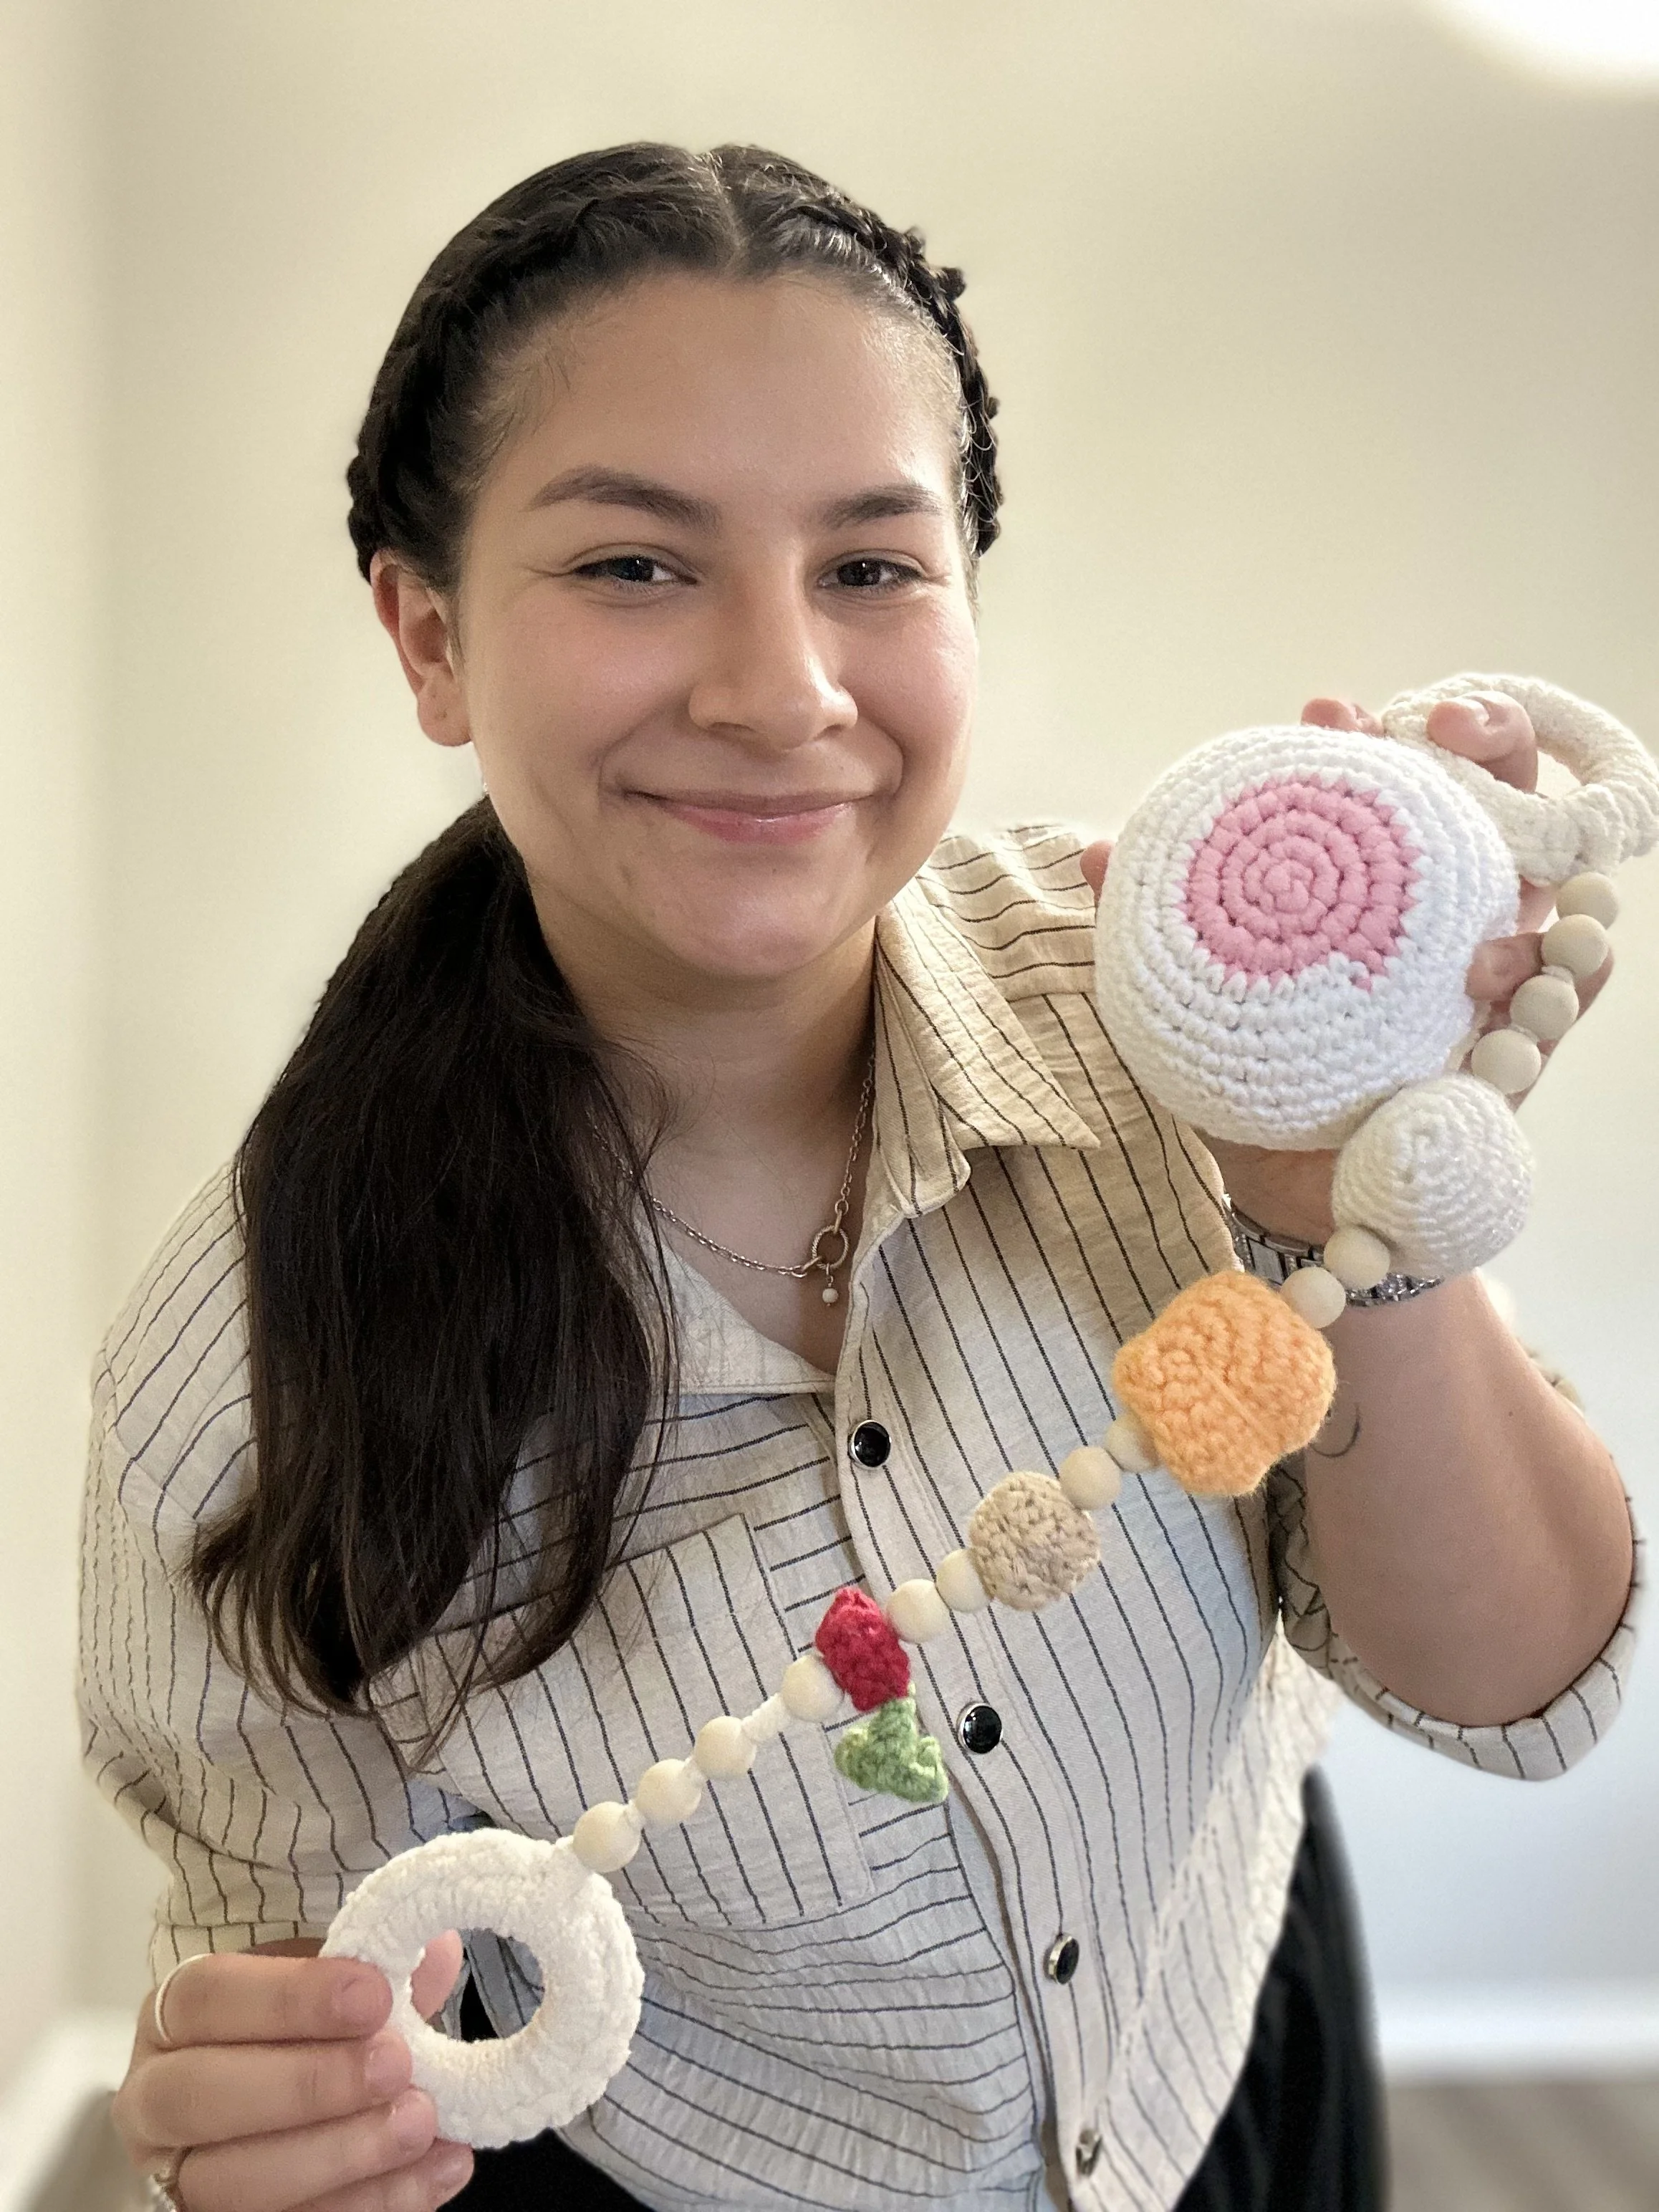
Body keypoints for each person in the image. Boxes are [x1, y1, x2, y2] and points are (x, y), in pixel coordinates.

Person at [85, 142, 1637, 2212]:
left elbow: (1517, 1695)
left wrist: (1328, 1166)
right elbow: (311, 2013)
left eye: (872, 567)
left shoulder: (1166, 1026)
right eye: (634, 565)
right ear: (429, 635)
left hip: (1229, 2075)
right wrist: (268, 2127)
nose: (780, 687)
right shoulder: (245, 1398)